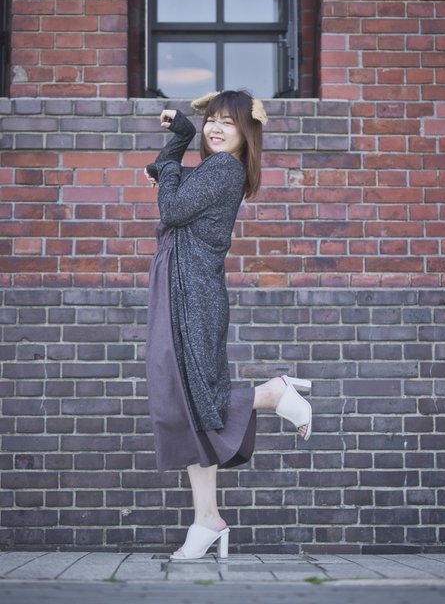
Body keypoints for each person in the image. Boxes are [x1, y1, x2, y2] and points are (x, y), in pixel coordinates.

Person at [144, 90, 312, 561]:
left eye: (228, 122)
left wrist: (174, 150)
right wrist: (173, 153)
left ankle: (271, 393)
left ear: (246, 133)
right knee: (187, 408)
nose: (216, 128)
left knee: (194, 400)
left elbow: (172, 208)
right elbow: (173, 184)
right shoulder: (215, 170)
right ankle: (207, 519)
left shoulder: (223, 169)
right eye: (211, 120)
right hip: (183, 292)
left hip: (193, 298)